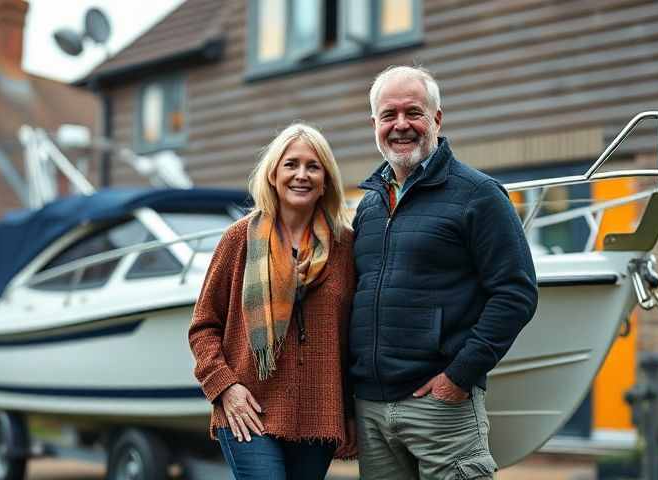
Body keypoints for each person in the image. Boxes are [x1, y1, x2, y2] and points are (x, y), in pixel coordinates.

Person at [349, 65, 539, 479]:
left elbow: (515, 293)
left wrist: (458, 377)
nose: (401, 125)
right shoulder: (368, 206)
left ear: (436, 118)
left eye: (413, 112)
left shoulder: (479, 195)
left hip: (441, 408)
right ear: (374, 125)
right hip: (372, 411)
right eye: (388, 115)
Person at [188, 123, 356, 480]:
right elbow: (203, 326)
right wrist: (224, 387)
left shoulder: (345, 247)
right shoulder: (239, 239)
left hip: (319, 413)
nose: (301, 175)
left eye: (313, 166)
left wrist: (351, 412)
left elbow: (352, 339)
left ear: (326, 180)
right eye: (291, 164)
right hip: (247, 408)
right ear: (273, 175)